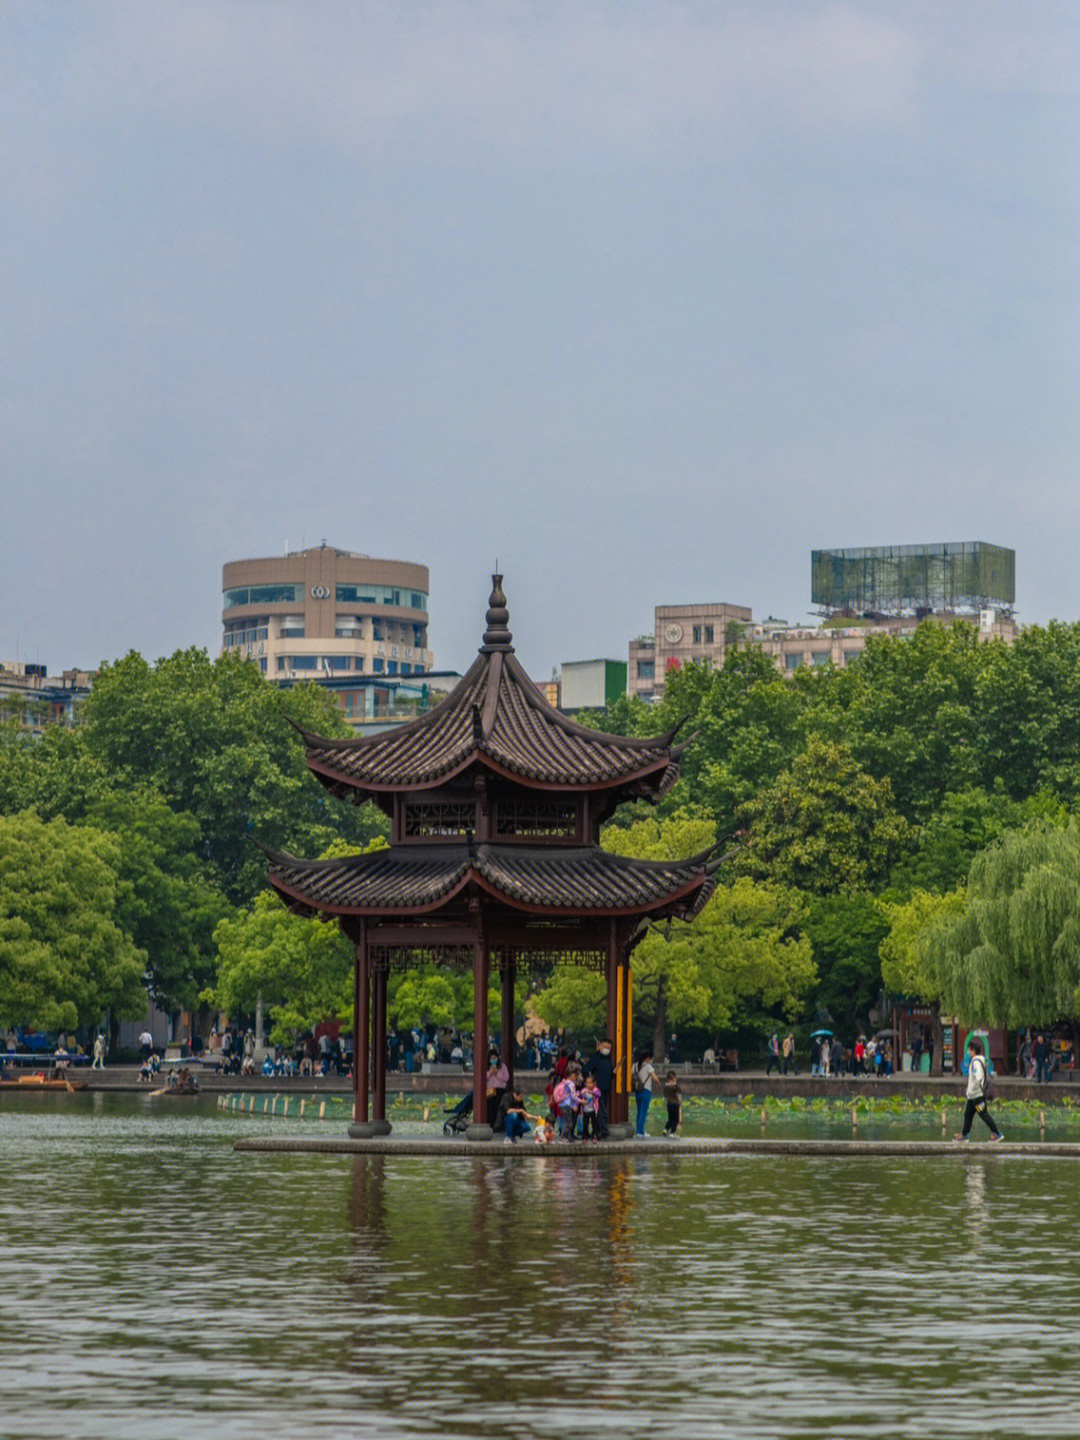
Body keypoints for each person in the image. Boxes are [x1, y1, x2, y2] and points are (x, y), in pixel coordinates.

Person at [955, 1037, 1003, 1142]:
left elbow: (979, 1077)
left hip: (977, 1096)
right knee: (968, 1115)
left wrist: (973, 1089)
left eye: (969, 1050)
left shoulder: (976, 1062)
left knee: (984, 1115)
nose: (968, 1052)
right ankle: (964, 1135)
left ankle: (997, 1133)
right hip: (972, 1096)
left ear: (973, 1050)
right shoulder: (976, 1061)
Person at [586, 1038, 614, 1140]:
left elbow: (610, 1073)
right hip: (597, 1089)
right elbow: (586, 1069)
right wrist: (591, 1084)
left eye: (609, 1048)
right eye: (605, 1047)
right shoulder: (595, 1058)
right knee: (601, 1111)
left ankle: (596, 1132)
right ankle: (604, 1132)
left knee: (602, 1111)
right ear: (600, 1046)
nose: (607, 1049)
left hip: (606, 1088)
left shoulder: (608, 1059)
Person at [634, 1050, 660, 1136]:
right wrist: (659, 1085)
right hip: (646, 1090)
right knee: (644, 1112)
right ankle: (640, 1132)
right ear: (648, 1058)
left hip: (637, 1091)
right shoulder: (648, 1066)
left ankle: (638, 1130)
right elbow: (655, 1078)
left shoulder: (635, 1066)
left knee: (639, 1111)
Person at [485, 1049, 509, 1128]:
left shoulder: (502, 1066)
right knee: (490, 1108)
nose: (493, 1060)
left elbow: (506, 1078)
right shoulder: (486, 1067)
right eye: (492, 1058)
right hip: (490, 1090)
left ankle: (499, 1125)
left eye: (495, 1058)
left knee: (499, 1107)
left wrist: (497, 1073)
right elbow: (484, 1078)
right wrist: (490, 1072)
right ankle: (490, 1124)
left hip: (500, 1090)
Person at [579, 1074, 602, 1142]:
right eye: (587, 1083)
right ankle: (585, 1137)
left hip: (593, 1110)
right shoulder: (584, 1090)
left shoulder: (596, 1090)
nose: (588, 1085)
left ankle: (595, 1136)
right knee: (585, 1124)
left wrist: (592, 1092)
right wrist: (580, 1095)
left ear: (594, 1083)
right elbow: (580, 1096)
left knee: (594, 1124)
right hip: (585, 1110)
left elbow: (599, 1094)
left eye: (590, 1083)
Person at [662, 1069, 682, 1138]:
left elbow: (664, 1095)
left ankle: (665, 1129)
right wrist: (675, 1085)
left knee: (670, 1119)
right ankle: (672, 1132)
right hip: (675, 1104)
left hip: (669, 1104)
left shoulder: (665, 1087)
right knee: (676, 1119)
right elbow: (679, 1091)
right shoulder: (674, 1086)